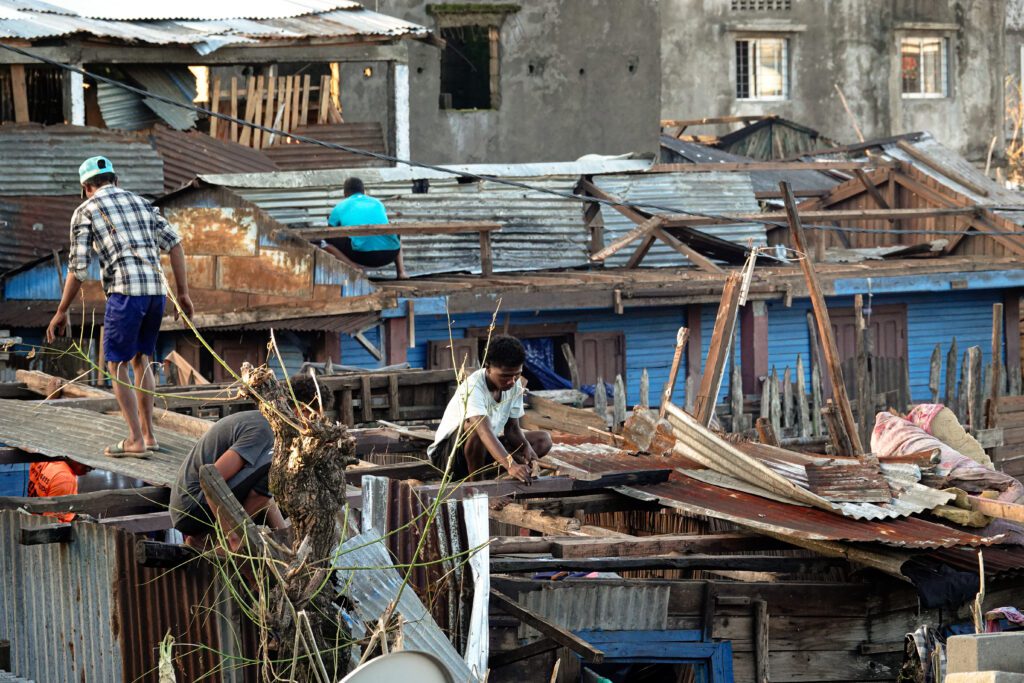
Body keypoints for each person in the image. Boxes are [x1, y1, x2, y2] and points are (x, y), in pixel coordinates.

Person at [45, 156, 194, 458]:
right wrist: (183, 294)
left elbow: (78, 267)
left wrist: (62, 310)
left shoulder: (85, 210)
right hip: (155, 294)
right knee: (142, 359)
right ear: (116, 179)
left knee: (117, 365)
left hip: (125, 294)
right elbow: (175, 244)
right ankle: (149, 436)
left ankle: (135, 440)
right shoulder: (142, 203)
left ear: (86, 187)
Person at [169, 373, 331, 547]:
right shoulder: (264, 429)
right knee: (275, 471)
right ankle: (229, 539)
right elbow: (211, 479)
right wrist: (234, 536)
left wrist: (285, 539)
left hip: (199, 508)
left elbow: (266, 498)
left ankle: (203, 538)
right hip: (191, 509)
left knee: (285, 493)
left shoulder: (277, 432)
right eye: (314, 418)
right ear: (302, 411)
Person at [427, 335, 552, 484]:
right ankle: (478, 486)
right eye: (505, 376)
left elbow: (512, 429)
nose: (511, 381)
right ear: (488, 367)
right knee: (474, 427)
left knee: (543, 440)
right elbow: (483, 431)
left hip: (482, 450)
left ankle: (501, 476)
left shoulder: (514, 385)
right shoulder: (473, 387)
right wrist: (510, 465)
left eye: (517, 374)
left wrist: (526, 447)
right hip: (448, 459)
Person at [317, 177, 408, 279]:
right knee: (394, 233)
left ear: (345, 194)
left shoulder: (340, 207)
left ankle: (354, 268)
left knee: (325, 241)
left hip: (362, 255)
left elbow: (330, 231)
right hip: (390, 254)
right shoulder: (378, 203)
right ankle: (401, 272)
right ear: (364, 191)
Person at [27, 459, 93, 523]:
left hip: (33, 514)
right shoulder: (65, 479)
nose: (87, 472)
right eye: (88, 468)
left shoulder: (45, 459)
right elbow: (52, 521)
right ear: (75, 459)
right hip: (44, 522)